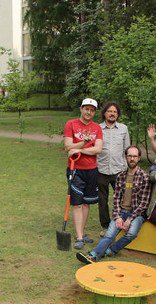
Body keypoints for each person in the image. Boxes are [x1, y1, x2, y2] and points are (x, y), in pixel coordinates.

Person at [76, 145, 151, 264]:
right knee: (109, 235)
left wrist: (130, 219)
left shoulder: (145, 177)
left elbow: (143, 203)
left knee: (131, 233)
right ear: (125, 157)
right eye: (129, 156)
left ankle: (111, 250)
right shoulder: (121, 176)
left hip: (137, 214)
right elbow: (116, 199)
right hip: (122, 211)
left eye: (134, 156)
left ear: (139, 157)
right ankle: (93, 255)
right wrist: (118, 216)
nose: (132, 159)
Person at [63, 98, 104, 250]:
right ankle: (80, 237)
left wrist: (79, 149)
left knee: (86, 203)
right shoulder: (71, 124)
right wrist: (84, 143)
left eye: (92, 110)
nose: (89, 112)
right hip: (75, 169)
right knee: (77, 204)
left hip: (92, 169)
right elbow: (68, 146)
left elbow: (98, 149)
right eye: (86, 109)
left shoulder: (97, 128)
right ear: (81, 109)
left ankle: (81, 232)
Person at [97, 101, 131, 234]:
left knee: (122, 199)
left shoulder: (123, 128)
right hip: (101, 169)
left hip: (119, 170)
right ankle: (105, 226)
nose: (112, 114)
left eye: (115, 112)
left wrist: (127, 168)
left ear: (118, 114)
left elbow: (127, 150)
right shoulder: (97, 128)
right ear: (104, 113)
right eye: (109, 111)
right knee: (102, 200)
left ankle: (121, 222)